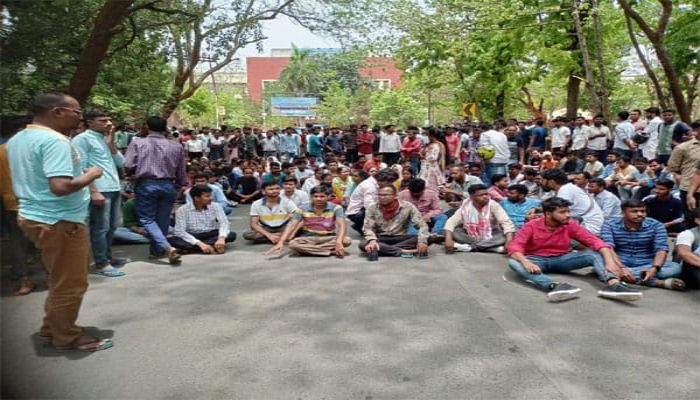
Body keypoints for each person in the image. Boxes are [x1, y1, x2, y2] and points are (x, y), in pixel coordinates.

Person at [7, 91, 113, 351]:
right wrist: (92, 174)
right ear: (56, 111)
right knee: (72, 282)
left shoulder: (19, 139)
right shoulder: (55, 141)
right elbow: (61, 186)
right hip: (60, 221)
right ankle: (67, 336)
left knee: (58, 277)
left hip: (35, 216)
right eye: (76, 112)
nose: (79, 116)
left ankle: (50, 328)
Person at [506, 197, 642, 302]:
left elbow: (596, 242)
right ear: (548, 214)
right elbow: (515, 246)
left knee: (593, 254)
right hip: (537, 261)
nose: (568, 215)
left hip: (563, 259)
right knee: (514, 263)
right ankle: (554, 286)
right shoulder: (531, 226)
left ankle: (613, 285)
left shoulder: (570, 224)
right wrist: (526, 262)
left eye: (568, 211)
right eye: (562, 212)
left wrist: (610, 262)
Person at [72, 109, 127, 277]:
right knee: (99, 228)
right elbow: (82, 168)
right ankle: (101, 263)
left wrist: (111, 143)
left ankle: (107, 256)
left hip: (114, 187)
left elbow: (121, 162)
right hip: (100, 189)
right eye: (103, 120)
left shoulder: (104, 138)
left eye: (109, 120)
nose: (109, 123)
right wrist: (94, 191)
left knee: (112, 226)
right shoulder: (81, 140)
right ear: (89, 122)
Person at [124, 116, 186, 264]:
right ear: (165, 127)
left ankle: (167, 248)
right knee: (163, 219)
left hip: (147, 184)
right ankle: (156, 251)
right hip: (168, 184)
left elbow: (127, 164)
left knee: (147, 219)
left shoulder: (138, 143)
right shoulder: (176, 146)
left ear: (146, 126)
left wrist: (132, 176)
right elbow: (181, 170)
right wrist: (179, 185)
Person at [600, 199, 684, 290]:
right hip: (618, 261)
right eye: (634, 211)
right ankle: (652, 281)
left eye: (643, 211)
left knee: (675, 267)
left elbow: (661, 249)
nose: (640, 214)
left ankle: (621, 276)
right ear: (623, 212)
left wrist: (654, 269)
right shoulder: (609, 225)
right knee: (600, 261)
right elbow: (609, 248)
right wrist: (621, 267)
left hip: (646, 263)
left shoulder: (656, 225)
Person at [266, 185, 352, 257]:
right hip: (308, 238)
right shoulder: (302, 208)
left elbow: (342, 226)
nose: (319, 199)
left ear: (328, 197)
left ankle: (311, 250)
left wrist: (338, 241)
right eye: (316, 196)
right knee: (293, 244)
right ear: (311, 197)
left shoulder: (336, 208)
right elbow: (291, 225)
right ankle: (330, 252)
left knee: (346, 240)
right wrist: (281, 242)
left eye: (322, 196)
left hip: (328, 237)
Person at [360, 185, 429, 258]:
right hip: (381, 238)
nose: (382, 197)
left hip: (401, 237)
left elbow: (422, 225)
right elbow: (368, 228)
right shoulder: (372, 208)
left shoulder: (408, 206)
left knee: (425, 238)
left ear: (395, 196)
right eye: (379, 195)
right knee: (363, 244)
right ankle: (406, 251)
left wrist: (422, 242)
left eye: (385, 195)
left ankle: (384, 250)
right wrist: (372, 240)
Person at [444, 184, 515, 253]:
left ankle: (467, 248)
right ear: (472, 197)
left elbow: (506, 222)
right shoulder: (466, 205)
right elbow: (451, 221)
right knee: (455, 232)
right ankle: (492, 248)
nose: (485, 197)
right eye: (481, 195)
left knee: (504, 237)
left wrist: (509, 242)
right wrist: (448, 239)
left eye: (486, 194)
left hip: (492, 235)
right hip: (469, 235)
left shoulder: (493, 205)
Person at [170, 185, 236, 254]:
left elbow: (224, 223)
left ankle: (191, 249)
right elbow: (180, 231)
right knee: (173, 240)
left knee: (231, 235)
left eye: (211, 195)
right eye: (207, 196)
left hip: (209, 233)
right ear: (197, 198)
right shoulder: (182, 210)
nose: (211, 198)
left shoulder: (215, 206)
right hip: (191, 234)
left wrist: (221, 238)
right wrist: (200, 243)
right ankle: (211, 246)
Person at [541, 169, 604, 234]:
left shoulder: (565, 191)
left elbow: (556, 215)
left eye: (543, 180)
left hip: (589, 227)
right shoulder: (566, 188)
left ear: (552, 182)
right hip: (583, 222)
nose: (541, 182)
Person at [667, 120, 700, 223]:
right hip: (689, 188)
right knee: (691, 219)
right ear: (695, 131)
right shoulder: (682, 147)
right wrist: (677, 177)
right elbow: (673, 167)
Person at [346, 169, 398, 233]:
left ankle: (360, 226)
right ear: (384, 180)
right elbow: (369, 206)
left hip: (362, 209)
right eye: (390, 182)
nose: (390, 184)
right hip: (357, 212)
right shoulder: (370, 186)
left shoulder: (374, 183)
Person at [675, 208, 700, 289]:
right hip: (689, 271)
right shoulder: (687, 234)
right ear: (698, 220)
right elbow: (684, 254)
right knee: (690, 260)